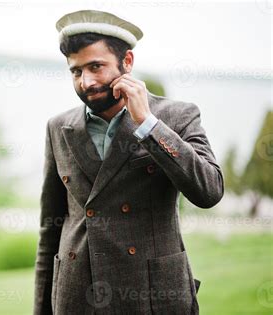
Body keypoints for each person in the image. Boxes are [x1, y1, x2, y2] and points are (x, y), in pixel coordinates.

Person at [33, 9, 224, 315]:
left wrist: (148, 124)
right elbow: (49, 231)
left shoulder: (177, 116)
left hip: (153, 297)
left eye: (97, 66)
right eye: (76, 71)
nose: (87, 82)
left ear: (127, 63)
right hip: (76, 298)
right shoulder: (58, 127)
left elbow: (209, 191)